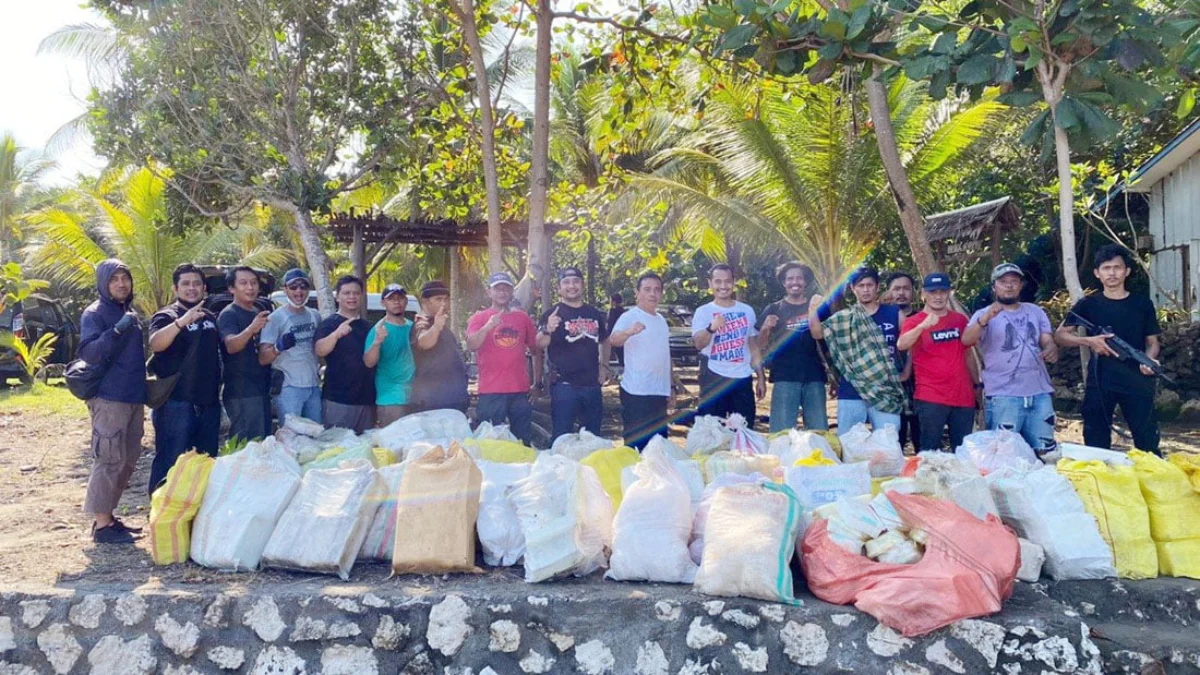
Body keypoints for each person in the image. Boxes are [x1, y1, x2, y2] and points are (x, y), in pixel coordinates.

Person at [1055, 245, 1162, 454]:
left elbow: (1153, 342)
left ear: (1127, 271)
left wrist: (1148, 361)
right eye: (1106, 268)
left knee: (1147, 442)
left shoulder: (1142, 304)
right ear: (1097, 273)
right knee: (1096, 442)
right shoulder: (1088, 304)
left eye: (1117, 267)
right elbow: (1060, 335)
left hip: (1137, 379)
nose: (1112, 273)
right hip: (1101, 380)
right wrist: (1090, 341)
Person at [77, 259, 146, 544]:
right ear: (104, 283)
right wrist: (116, 330)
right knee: (108, 459)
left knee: (128, 458)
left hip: (132, 396)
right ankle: (102, 525)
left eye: (125, 278)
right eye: (114, 279)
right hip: (109, 398)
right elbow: (89, 352)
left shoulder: (127, 311)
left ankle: (110, 517)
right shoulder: (95, 313)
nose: (121, 284)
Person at [963, 263, 1059, 455]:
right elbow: (966, 339)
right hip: (1004, 395)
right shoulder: (983, 315)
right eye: (1003, 282)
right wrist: (986, 319)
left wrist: (1050, 348)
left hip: (1039, 393)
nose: (1009, 286)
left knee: (1046, 453)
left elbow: (1047, 339)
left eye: (1014, 281)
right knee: (1004, 456)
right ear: (994, 287)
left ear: (1021, 285)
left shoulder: (1035, 311)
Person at [147, 263, 221, 494]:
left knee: (204, 463)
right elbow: (156, 343)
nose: (192, 288)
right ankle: (160, 516)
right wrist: (182, 322)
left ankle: (192, 515)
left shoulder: (210, 317)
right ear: (176, 288)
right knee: (170, 462)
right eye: (186, 284)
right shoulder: (166, 315)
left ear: (204, 288)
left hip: (208, 403)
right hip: (176, 404)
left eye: (197, 283)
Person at [811, 266, 907, 432]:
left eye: (869, 285)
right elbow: (817, 333)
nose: (865, 290)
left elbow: (910, 343)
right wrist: (812, 309)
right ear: (853, 289)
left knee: (888, 443)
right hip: (852, 389)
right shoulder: (845, 318)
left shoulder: (894, 313)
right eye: (860, 286)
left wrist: (906, 372)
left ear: (877, 287)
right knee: (849, 444)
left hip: (885, 389)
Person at [898, 273, 977, 452]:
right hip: (930, 396)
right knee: (928, 451)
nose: (938, 296)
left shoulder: (959, 319)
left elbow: (969, 354)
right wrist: (922, 326)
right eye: (933, 292)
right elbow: (902, 344)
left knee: (963, 451)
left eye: (942, 291)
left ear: (949, 293)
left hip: (963, 396)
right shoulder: (914, 321)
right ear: (923, 295)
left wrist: (977, 384)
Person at [537, 267, 612, 441]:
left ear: (582, 285)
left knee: (592, 438)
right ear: (559, 288)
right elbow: (539, 344)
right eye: (566, 282)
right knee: (562, 438)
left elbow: (605, 340)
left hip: (592, 385)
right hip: (564, 386)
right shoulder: (552, 314)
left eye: (576, 281)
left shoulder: (593, 313)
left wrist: (604, 366)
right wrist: (548, 328)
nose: (572, 286)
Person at [467, 272, 539, 444]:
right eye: (497, 289)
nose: (502, 292)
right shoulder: (479, 318)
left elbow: (536, 350)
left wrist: (537, 383)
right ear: (489, 292)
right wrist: (487, 327)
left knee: (522, 441)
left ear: (512, 291)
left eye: (506, 288)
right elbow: (472, 345)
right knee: (490, 442)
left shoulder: (522, 318)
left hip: (520, 391)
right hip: (491, 390)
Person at [758, 261, 828, 432]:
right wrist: (766, 328)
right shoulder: (773, 308)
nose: (794, 282)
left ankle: (820, 459)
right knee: (781, 432)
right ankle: (781, 459)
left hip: (815, 376)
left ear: (806, 282)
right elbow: (759, 345)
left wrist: (833, 376)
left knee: (818, 431)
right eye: (790, 279)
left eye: (799, 278)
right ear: (784, 282)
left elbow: (828, 342)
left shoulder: (818, 307)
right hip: (784, 377)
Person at [691, 264, 763, 422]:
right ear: (710, 283)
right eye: (718, 281)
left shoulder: (747, 310)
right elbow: (698, 344)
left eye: (727, 281)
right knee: (711, 431)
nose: (723, 286)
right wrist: (711, 328)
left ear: (734, 282)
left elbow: (753, 347)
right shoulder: (703, 311)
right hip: (713, 377)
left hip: (742, 378)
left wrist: (761, 378)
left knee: (744, 430)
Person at [611, 272, 673, 450]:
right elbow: (614, 340)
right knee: (636, 448)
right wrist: (629, 332)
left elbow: (665, 356)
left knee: (658, 447)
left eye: (657, 290)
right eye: (647, 289)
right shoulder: (630, 316)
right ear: (637, 293)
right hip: (636, 392)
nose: (652, 294)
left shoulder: (661, 320)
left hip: (659, 392)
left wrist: (671, 387)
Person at [259, 268, 322, 425]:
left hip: (313, 386)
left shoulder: (315, 315)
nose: (299, 291)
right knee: (291, 438)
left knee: (317, 436)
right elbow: (262, 358)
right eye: (293, 287)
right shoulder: (275, 318)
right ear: (285, 289)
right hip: (289, 388)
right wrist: (278, 348)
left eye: (303, 286)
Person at [315, 275, 376, 433]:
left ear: (362, 296)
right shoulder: (329, 324)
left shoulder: (369, 327)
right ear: (337, 296)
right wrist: (336, 334)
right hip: (338, 400)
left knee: (365, 450)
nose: (352, 297)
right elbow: (319, 350)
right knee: (337, 450)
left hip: (367, 400)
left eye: (356, 293)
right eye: (347, 293)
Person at [217, 266, 272, 441]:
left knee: (262, 443)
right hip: (241, 391)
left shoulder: (257, 311)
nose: (250, 287)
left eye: (254, 283)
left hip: (261, 388)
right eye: (243, 283)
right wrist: (251, 328)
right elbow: (231, 346)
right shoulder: (229, 314)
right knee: (244, 447)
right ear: (231, 288)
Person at [410, 280, 470, 413]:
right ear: (425, 302)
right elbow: (424, 343)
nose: (444, 304)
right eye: (438, 299)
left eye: (446, 299)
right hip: (433, 401)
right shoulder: (422, 322)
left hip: (452, 398)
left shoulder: (442, 326)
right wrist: (436, 326)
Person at [365, 284, 416, 428]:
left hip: (415, 397)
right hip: (390, 399)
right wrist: (376, 343)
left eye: (400, 298)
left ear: (406, 301)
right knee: (392, 447)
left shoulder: (414, 327)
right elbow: (368, 362)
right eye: (391, 299)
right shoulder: (378, 329)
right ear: (383, 303)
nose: (396, 302)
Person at [886, 271, 921, 450]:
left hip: (920, 384)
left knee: (920, 435)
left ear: (913, 292)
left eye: (906, 288)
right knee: (894, 439)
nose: (901, 293)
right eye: (896, 289)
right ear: (888, 292)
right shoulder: (882, 317)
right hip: (891, 385)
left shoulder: (923, 317)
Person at [607, 292, 627, 367]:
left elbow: (610, 325)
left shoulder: (613, 311)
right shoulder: (624, 312)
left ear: (614, 301)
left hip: (614, 336)